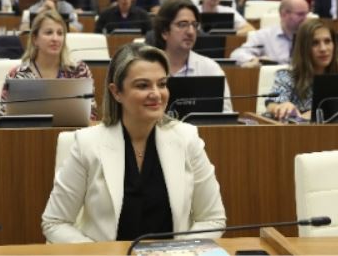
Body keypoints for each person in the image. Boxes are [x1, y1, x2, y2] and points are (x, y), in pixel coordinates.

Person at [41, 43, 227, 243]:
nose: (156, 94)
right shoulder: (87, 144)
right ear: (116, 92)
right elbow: (55, 222)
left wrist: (182, 252)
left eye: (162, 84)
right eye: (142, 85)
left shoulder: (187, 138)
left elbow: (212, 219)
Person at [0, 10, 95, 123]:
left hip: (73, 133)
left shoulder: (79, 70)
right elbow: (4, 118)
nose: (55, 38)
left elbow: (91, 114)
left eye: (60, 33)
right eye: (49, 33)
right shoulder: (17, 75)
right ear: (35, 39)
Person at [265, 19, 338, 121]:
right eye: (315, 43)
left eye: (327, 41)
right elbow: (272, 103)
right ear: (303, 48)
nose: (323, 49)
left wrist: (315, 113)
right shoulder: (287, 76)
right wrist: (280, 107)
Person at [153, 0, 233, 112]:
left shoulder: (210, 69)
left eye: (194, 25)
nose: (191, 32)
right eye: (182, 25)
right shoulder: (149, 67)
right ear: (164, 32)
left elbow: (225, 114)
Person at [230, 0, 310, 67]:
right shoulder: (264, 35)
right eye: (300, 14)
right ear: (284, 14)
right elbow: (237, 54)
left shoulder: (311, 35)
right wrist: (255, 60)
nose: (305, 19)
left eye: (306, 14)